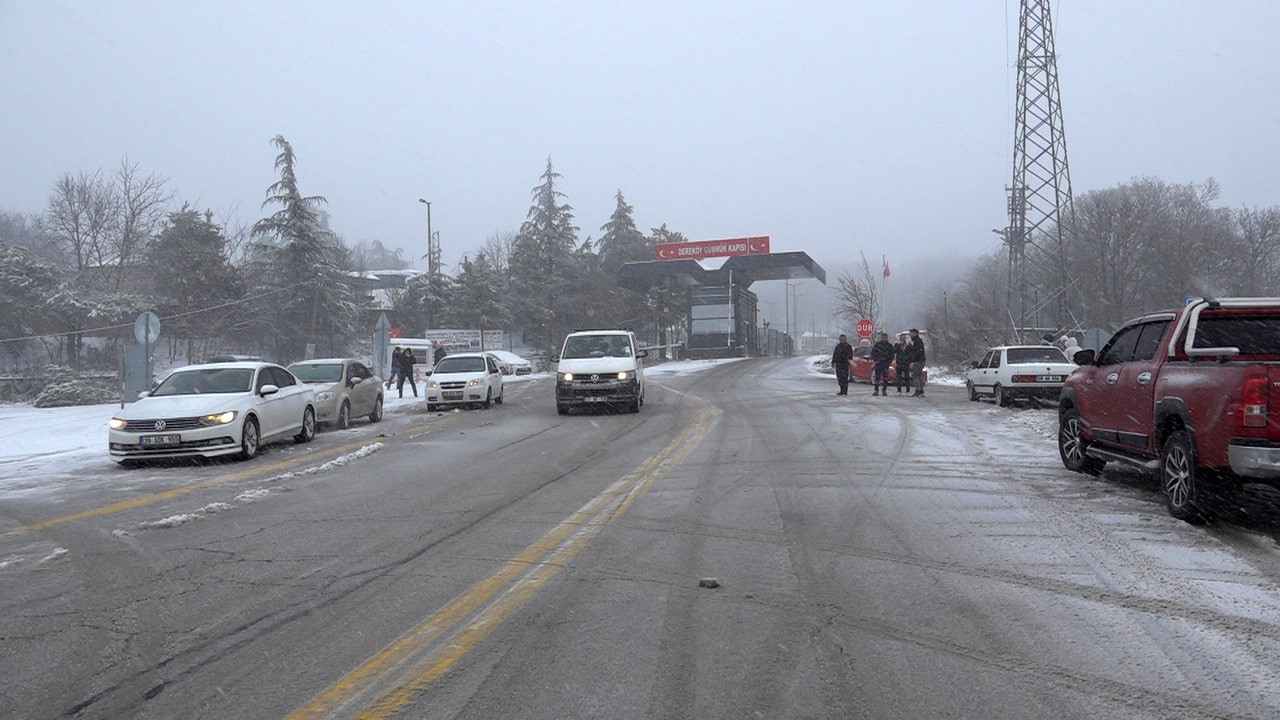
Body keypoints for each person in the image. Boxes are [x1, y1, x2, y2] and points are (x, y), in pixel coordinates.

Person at [870, 332, 895, 396]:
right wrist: (876, 360)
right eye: (883, 337)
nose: (884, 339)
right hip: (878, 363)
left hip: (885, 364)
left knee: (885, 378)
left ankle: (884, 390)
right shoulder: (877, 345)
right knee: (877, 378)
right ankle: (876, 390)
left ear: (887, 338)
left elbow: (892, 355)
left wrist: (888, 362)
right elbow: (873, 353)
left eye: (885, 338)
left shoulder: (889, 346)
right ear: (881, 338)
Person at [908, 328, 927, 397]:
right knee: (919, 375)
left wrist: (913, 360)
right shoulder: (915, 341)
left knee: (916, 375)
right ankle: (921, 390)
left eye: (911, 333)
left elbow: (917, 352)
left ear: (915, 333)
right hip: (920, 360)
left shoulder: (917, 341)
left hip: (918, 361)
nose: (910, 334)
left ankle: (918, 390)